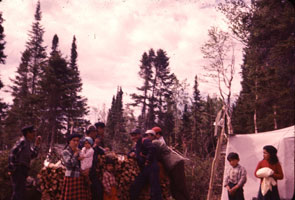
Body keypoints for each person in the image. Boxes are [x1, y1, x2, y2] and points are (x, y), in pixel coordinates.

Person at [151, 127, 190, 200]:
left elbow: (156, 155)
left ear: (158, 134)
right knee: (174, 189)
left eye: (153, 135)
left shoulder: (157, 142)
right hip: (173, 165)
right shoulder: (160, 141)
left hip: (175, 164)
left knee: (180, 187)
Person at [8, 125, 41, 200]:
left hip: (23, 170)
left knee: (20, 192)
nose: (34, 134)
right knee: (19, 192)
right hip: (19, 169)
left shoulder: (27, 143)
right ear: (27, 133)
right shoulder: (22, 141)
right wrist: (13, 169)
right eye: (32, 132)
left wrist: (37, 145)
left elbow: (32, 155)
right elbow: (12, 154)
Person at [129, 129, 162, 200]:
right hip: (144, 169)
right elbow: (129, 153)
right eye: (132, 136)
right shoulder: (136, 146)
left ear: (139, 135)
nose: (133, 137)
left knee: (155, 189)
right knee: (135, 186)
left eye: (135, 135)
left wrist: (147, 160)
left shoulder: (145, 141)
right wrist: (130, 154)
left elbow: (152, 149)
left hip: (152, 167)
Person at [60, 133, 91, 200]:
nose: (76, 143)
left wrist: (86, 170)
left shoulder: (80, 151)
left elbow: (84, 163)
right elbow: (69, 165)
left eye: (78, 141)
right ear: (69, 141)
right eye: (74, 140)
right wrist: (75, 154)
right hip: (71, 178)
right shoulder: (65, 152)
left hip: (80, 178)